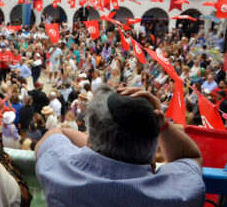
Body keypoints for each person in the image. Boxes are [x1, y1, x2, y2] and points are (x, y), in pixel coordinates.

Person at [35, 85, 205, 206]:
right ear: (153, 153)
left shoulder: (59, 172)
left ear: (89, 142)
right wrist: (164, 125)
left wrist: (97, 143)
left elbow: (57, 134)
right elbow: (190, 157)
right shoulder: (179, 195)